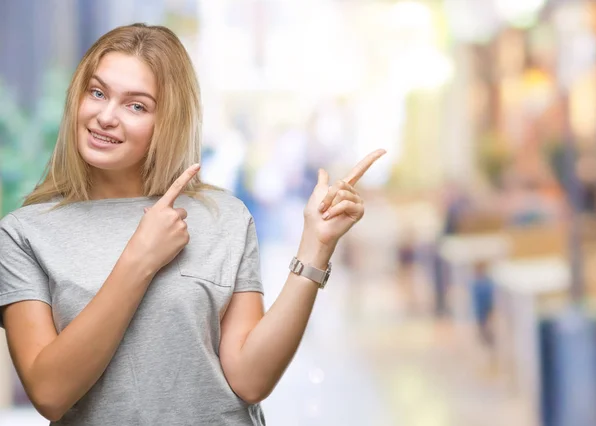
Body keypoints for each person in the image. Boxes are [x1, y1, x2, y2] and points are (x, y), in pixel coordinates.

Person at [0, 23, 385, 425]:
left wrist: (315, 247)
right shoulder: (24, 234)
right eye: (97, 93)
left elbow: (249, 380)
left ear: (167, 121)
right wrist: (139, 259)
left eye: (136, 106)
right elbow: (49, 392)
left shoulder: (224, 216)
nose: (106, 116)